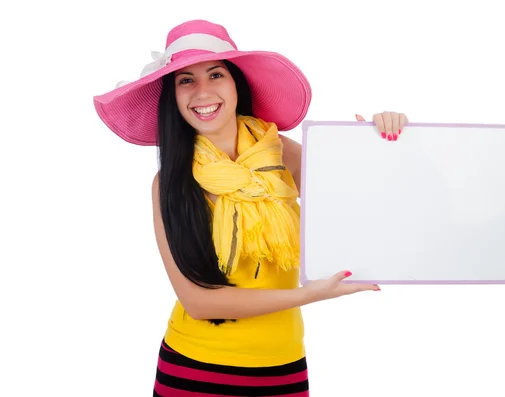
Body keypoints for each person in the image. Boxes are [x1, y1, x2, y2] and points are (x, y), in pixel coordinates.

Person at [93, 19, 408, 397]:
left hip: (283, 369)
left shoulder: (281, 153)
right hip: (193, 370)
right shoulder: (170, 182)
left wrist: (377, 144)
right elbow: (198, 301)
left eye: (215, 74)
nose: (202, 92)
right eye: (185, 80)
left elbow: (368, 205)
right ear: (172, 97)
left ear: (236, 84)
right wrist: (307, 296)